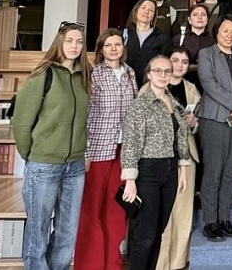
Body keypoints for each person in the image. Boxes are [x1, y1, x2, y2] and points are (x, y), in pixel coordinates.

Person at [13, 21, 91, 270]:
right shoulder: (44, 75)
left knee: (67, 233)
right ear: (59, 42)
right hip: (44, 164)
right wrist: (33, 154)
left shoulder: (84, 77)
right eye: (69, 41)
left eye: (79, 42)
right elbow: (21, 121)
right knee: (38, 231)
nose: (74, 46)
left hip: (75, 166)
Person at [75, 28, 138, 270]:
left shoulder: (130, 73)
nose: (113, 48)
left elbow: (134, 112)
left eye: (117, 44)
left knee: (116, 209)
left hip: (123, 150)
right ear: (101, 49)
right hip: (98, 149)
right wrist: (85, 152)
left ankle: (112, 263)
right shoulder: (93, 73)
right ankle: (90, 264)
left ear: (123, 48)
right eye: (108, 45)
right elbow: (86, 113)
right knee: (92, 208)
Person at [121, 55, 190, 270]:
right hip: (147, 171)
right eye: (157, 71)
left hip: (169, 171)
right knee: (145, 235)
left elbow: (182, 137)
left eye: (167, 71)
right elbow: (131, 143)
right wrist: (130, 180)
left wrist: (183, 169)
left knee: (159, 232)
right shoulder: (140, 105)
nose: (163, 75)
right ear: (149, 74)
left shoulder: (175, 104)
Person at [197, 15, 232, 242]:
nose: (229, 35)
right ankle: (210, 222)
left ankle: (224, 219)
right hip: (215, 119)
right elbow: (209, 84)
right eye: (225, 30)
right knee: (213, 172)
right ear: (217, 32)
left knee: (230, 172)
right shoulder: (206, 54)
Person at [155, 49, 201, 270]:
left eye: (184, 61)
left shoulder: (191, 89)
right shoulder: (153, 87)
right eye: (175, 60)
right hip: (159, 156)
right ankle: (160, 262)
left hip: (186, 155)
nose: (180, 65)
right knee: (161, 211)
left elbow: (197, 123)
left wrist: (193, 123)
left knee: (183, 211)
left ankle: (178, 262)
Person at [125, 0, 171, 88]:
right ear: (136, 11)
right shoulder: (124, 34)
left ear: (154, 16)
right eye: (143, 8)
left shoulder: (161, 37)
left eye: (151, 10)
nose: (146, 11)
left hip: (150, 86)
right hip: (125, 85)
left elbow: (165, 63)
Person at [173, 3, 214, 91]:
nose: (200, 17)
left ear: (207, 19)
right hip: (184, 84)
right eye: (195, 15)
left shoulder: (214, 40)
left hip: (208, 85)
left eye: (203, 15)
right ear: (189, 19)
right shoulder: (178, 40)